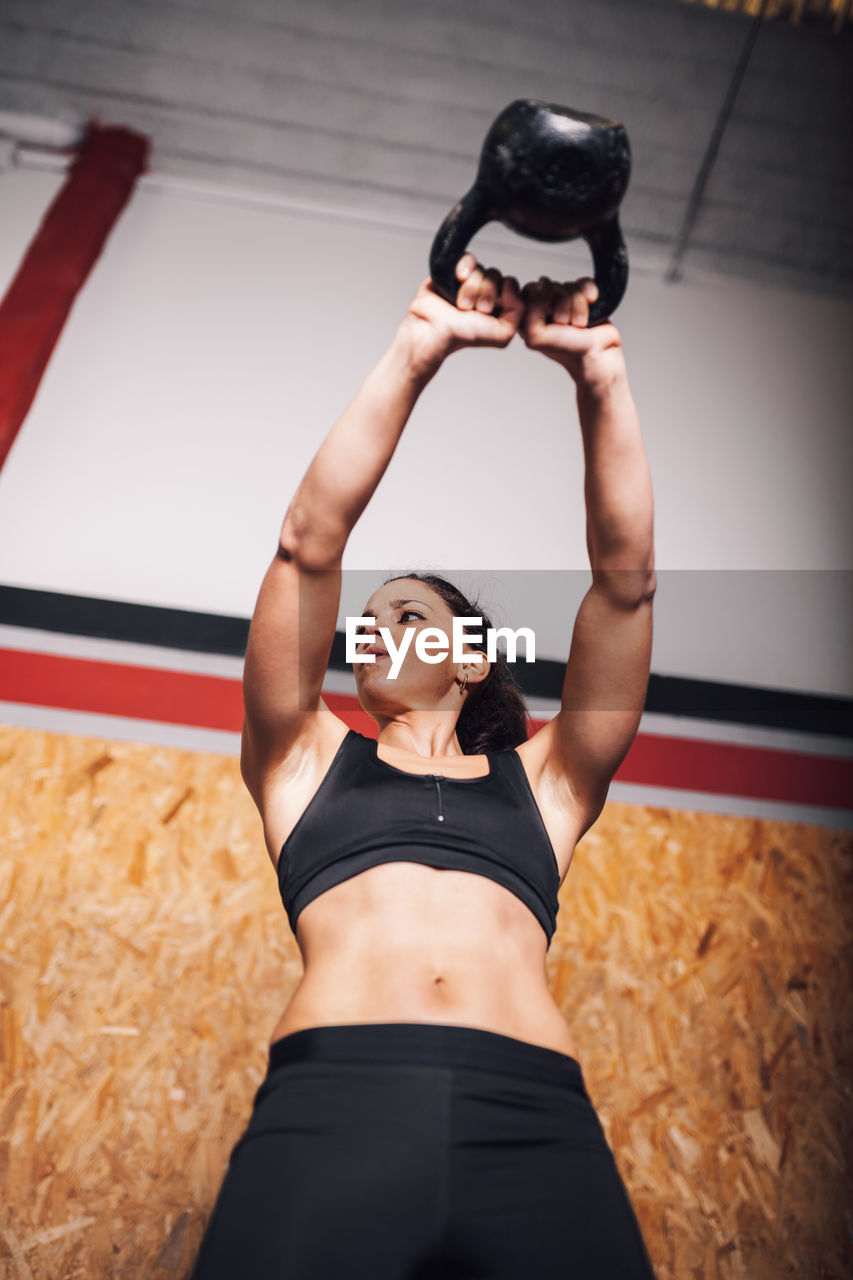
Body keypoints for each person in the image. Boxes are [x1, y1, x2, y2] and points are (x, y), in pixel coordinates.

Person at [188, 254, 658, 1278]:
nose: (374, 627)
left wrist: (598, 378)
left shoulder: (548, 784)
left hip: (533, 1118)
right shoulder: (302, 761)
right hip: (333, 1105)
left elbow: (624, 588)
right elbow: (309, 542)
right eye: (369, 619)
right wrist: (418, 349)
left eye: (409, 613)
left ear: (471, 656)